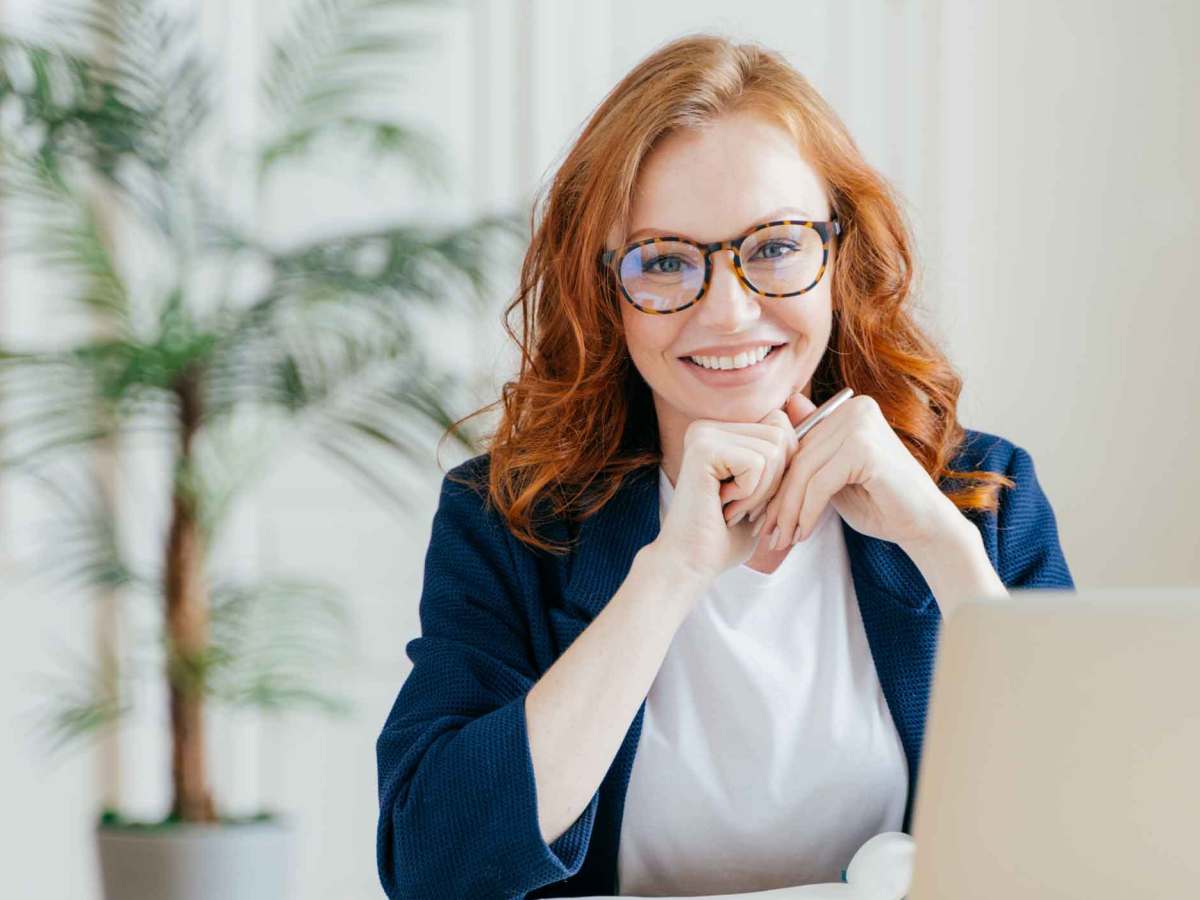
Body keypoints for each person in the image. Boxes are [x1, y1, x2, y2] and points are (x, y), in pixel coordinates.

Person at [375, 33, 1073, 900]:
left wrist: (938, 540)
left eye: (776, 246)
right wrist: (667, 576)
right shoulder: (508, 517)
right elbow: (433, 866)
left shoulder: (981, 495)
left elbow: (1093, 831)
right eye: (665, 262)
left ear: (839, 254)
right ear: (605, 293)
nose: (731, 312)